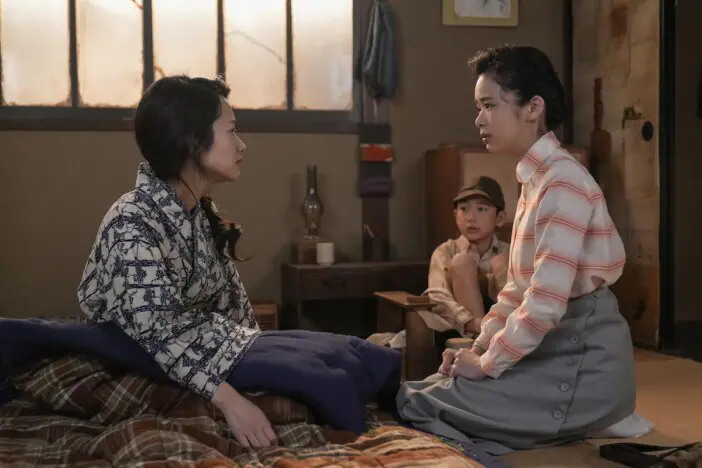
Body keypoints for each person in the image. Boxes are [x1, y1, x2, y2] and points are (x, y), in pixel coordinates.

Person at [395, 45, 635, 453]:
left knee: (421, 403)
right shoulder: (535, 180)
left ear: (533, 108)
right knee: (430, 388)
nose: (479, 119)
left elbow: (545, 303)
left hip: (582, 364)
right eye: (478, 107)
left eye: (489, 105)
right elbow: (517, 290)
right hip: (548, 347)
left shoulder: (563, 181)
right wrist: (476, 350)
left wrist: (487, 364)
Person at [77, 76, 277, 449]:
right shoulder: (131, 220)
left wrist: (268, 362)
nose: (242, 145)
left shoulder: (200, 214)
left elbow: (238, 313)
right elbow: (157, 336)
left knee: (325, 359)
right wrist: (230, 401)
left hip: (207, 356)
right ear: (192, 141)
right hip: (141, 367)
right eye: (231, 131)